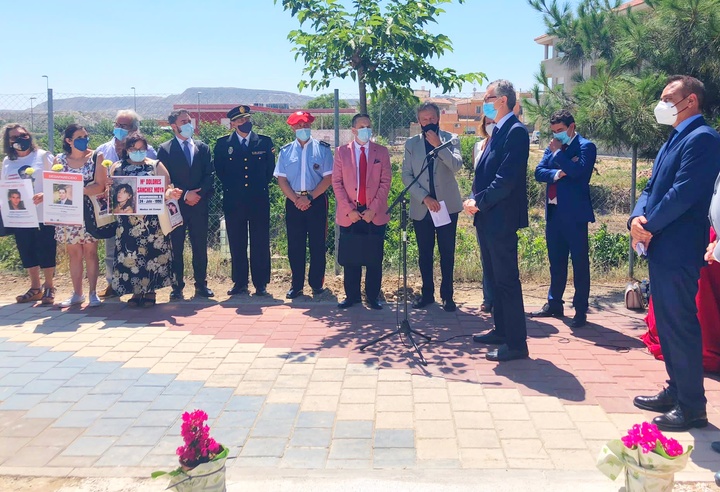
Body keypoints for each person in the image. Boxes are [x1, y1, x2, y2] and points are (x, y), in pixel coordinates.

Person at [630, 75, 720, 432]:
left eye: (669, 98)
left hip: (679, 246)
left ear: (691, 101)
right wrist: (637, 217)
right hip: (660, 242)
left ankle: (692, 407)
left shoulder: (703, 139)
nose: (662, 104)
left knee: (680, 323)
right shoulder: (676, 137)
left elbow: (683, 193)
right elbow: (652, 186)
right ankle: (677, 389)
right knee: (666, 324)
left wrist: (648, 225)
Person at [467, 79, 530, 362]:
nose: (485, 103)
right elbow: (485, 173)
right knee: (495, 277)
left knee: (506, 281)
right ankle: (501, 330)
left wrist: (478, 202)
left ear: (502, 100)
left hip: (501, 218)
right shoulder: (498, 131)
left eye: (487, 98)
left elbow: (505, 181)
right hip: (488, 218)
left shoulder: (515, 132)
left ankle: (516, 344)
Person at [531, 109, 596, 328]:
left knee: (579, 264)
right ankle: (554, 303)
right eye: (554, 131)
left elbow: (579, 173)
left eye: (560, 130)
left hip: (576, 216)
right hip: (554, 212)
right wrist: (558, 174)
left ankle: (580, 309)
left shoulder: (586, 146)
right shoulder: (552, 147)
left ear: (571, 127)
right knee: (556, 262)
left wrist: (558, 155)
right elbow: (539, 172)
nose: (556, 135)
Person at [401, 102, 463, 312]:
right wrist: (425, 198)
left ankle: (448, 296)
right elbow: (406, 175)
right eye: (424, 119)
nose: (428, 123)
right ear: (419, 121)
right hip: (423, 207)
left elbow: (456, 166)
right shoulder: (411, 144)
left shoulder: (451, 139)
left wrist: (438, 145)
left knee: (447, 253)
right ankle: (427, 294)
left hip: (447, 206)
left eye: (432, 118)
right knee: (424, 253)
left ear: (438, 118)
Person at [110, 133, 182, 307]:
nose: (138, 152)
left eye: (142, 148)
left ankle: (150, 292)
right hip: (126, 224)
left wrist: (170, 194)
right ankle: (135, 293)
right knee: (131, 256)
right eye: (134, 149)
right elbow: (110, 192)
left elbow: (166, 188)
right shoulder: (117, 167)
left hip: (152, 223)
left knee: (152, 256)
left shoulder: (155, 165)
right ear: (127, 149)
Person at [332, 113, 392, 310]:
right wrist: (349, 210)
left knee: (374, 258)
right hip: (350, 214)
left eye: (368, 125)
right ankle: (352, 296)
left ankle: (373, 297)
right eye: (361, 126)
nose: (366, 129)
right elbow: (337, 183)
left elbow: (385, 182)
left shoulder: (381, 152)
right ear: (353, 130)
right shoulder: (342, 152)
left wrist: (372, 209)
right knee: (351, 259)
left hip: (374, 214)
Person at [214, 105, 275, 297]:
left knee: (260, 242)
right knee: (237, 242)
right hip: (234, 201)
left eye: (247, 119)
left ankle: (261, 283)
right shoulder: (223, 144)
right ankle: (240, 282)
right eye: (240, 120)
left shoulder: (264, 142)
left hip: (258, 200)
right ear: (232, 123)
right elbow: (221, 172)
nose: (245, 123)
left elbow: (269, 171)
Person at [96, 110, 157, 299]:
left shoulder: (149, 151)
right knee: (111, 248)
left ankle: (140, 289)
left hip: (141, 214)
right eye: (117, 125)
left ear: (134, 129)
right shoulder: (102, 150)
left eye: (124, 126)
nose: (119, 129)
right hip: (110, 209)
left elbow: (157, 178)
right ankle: (111, 284)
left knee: (138, 251)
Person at [274, 111, 333, 299]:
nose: (303, 129)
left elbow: (328, 179)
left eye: (306, 125)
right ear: (292, 128)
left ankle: (316, 285)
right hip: (294, 202)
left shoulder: (322, 150)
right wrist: (296, 199)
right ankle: (296, 285)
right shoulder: (285, 151)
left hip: (316, 201)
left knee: (317, 245)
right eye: (298, 126)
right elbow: (282, 180)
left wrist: (310, 198)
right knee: (295, 246)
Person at [157, 109, 214, 300]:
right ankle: (177, 286)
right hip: (176, 207)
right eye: (184, 121)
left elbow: (209, 175)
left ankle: (201, 285)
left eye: (189, 120)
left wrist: (197, 194)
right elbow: (165, 179)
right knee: (176, 247)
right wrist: (185, 195)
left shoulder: (202, 147)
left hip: (199, 205)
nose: (189, 124)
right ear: (174, 126)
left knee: (199, 246)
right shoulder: (164, 149)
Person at [53, 124, 108, 308]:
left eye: (86, 136)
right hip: (67, 213)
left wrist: (76, 190)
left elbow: (100, 185)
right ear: (69, 141)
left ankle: (93, 293)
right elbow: (54, 185)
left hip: (89, 212)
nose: (85, 139)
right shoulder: (59, 160)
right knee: (74, 253)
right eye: (79, 137)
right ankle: (77, 293)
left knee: (90, 252)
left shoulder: (96, 157)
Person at [1, 124, 56, 304]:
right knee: (26, 249)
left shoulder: (43, 156)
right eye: (14, 137)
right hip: (19, 215)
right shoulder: (7, 162)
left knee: (46, 248)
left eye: (23, 135)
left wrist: (46, 194)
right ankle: (35, 287)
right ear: (8, 142)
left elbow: (57, 180)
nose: (20, 140)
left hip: (42, 213)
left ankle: (49, 287)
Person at [467, 115, 496, 313]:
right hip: (480, 209)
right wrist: (471, 199)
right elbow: (477, 179)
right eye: (488, 122)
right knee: (485, 256)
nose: (491, 125)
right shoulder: (478, 146)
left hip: (496, 206)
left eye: (494, 122)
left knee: (498, 257)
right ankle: (488, 298)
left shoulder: (502, 144)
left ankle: (501, 300)